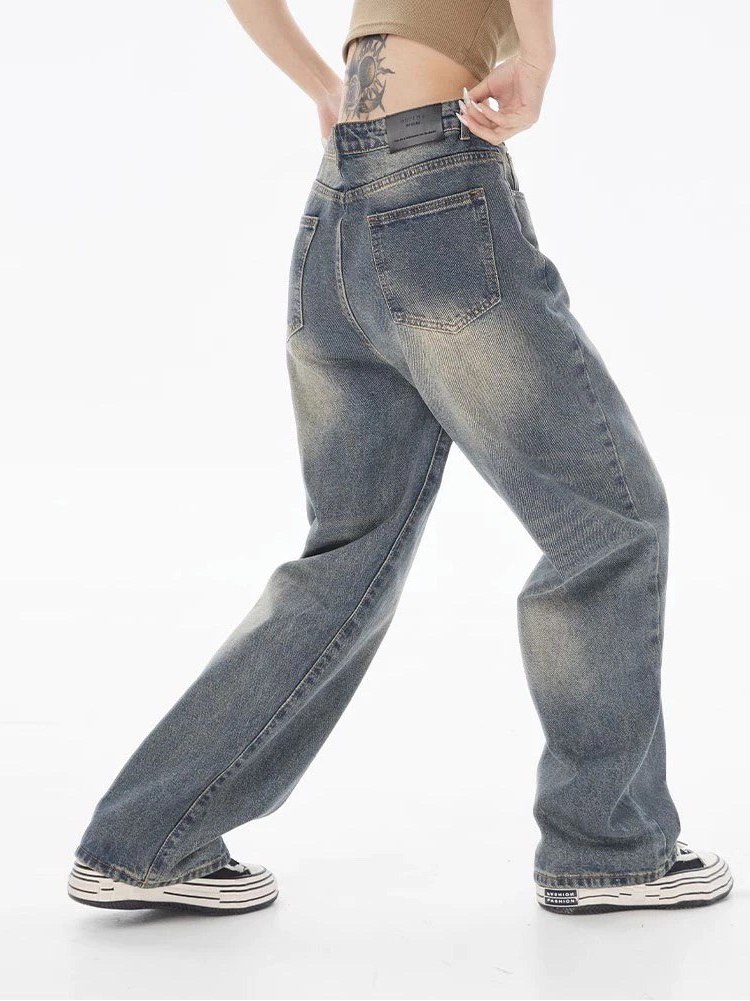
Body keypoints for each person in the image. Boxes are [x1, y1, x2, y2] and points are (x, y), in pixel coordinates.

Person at [68, 0, 732, 917]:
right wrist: (537, 56)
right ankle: (608, 847)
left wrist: (323, 86)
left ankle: (144, 841)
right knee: (609, 522)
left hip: (337, 207)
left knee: (349, 554)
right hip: (439, 195)